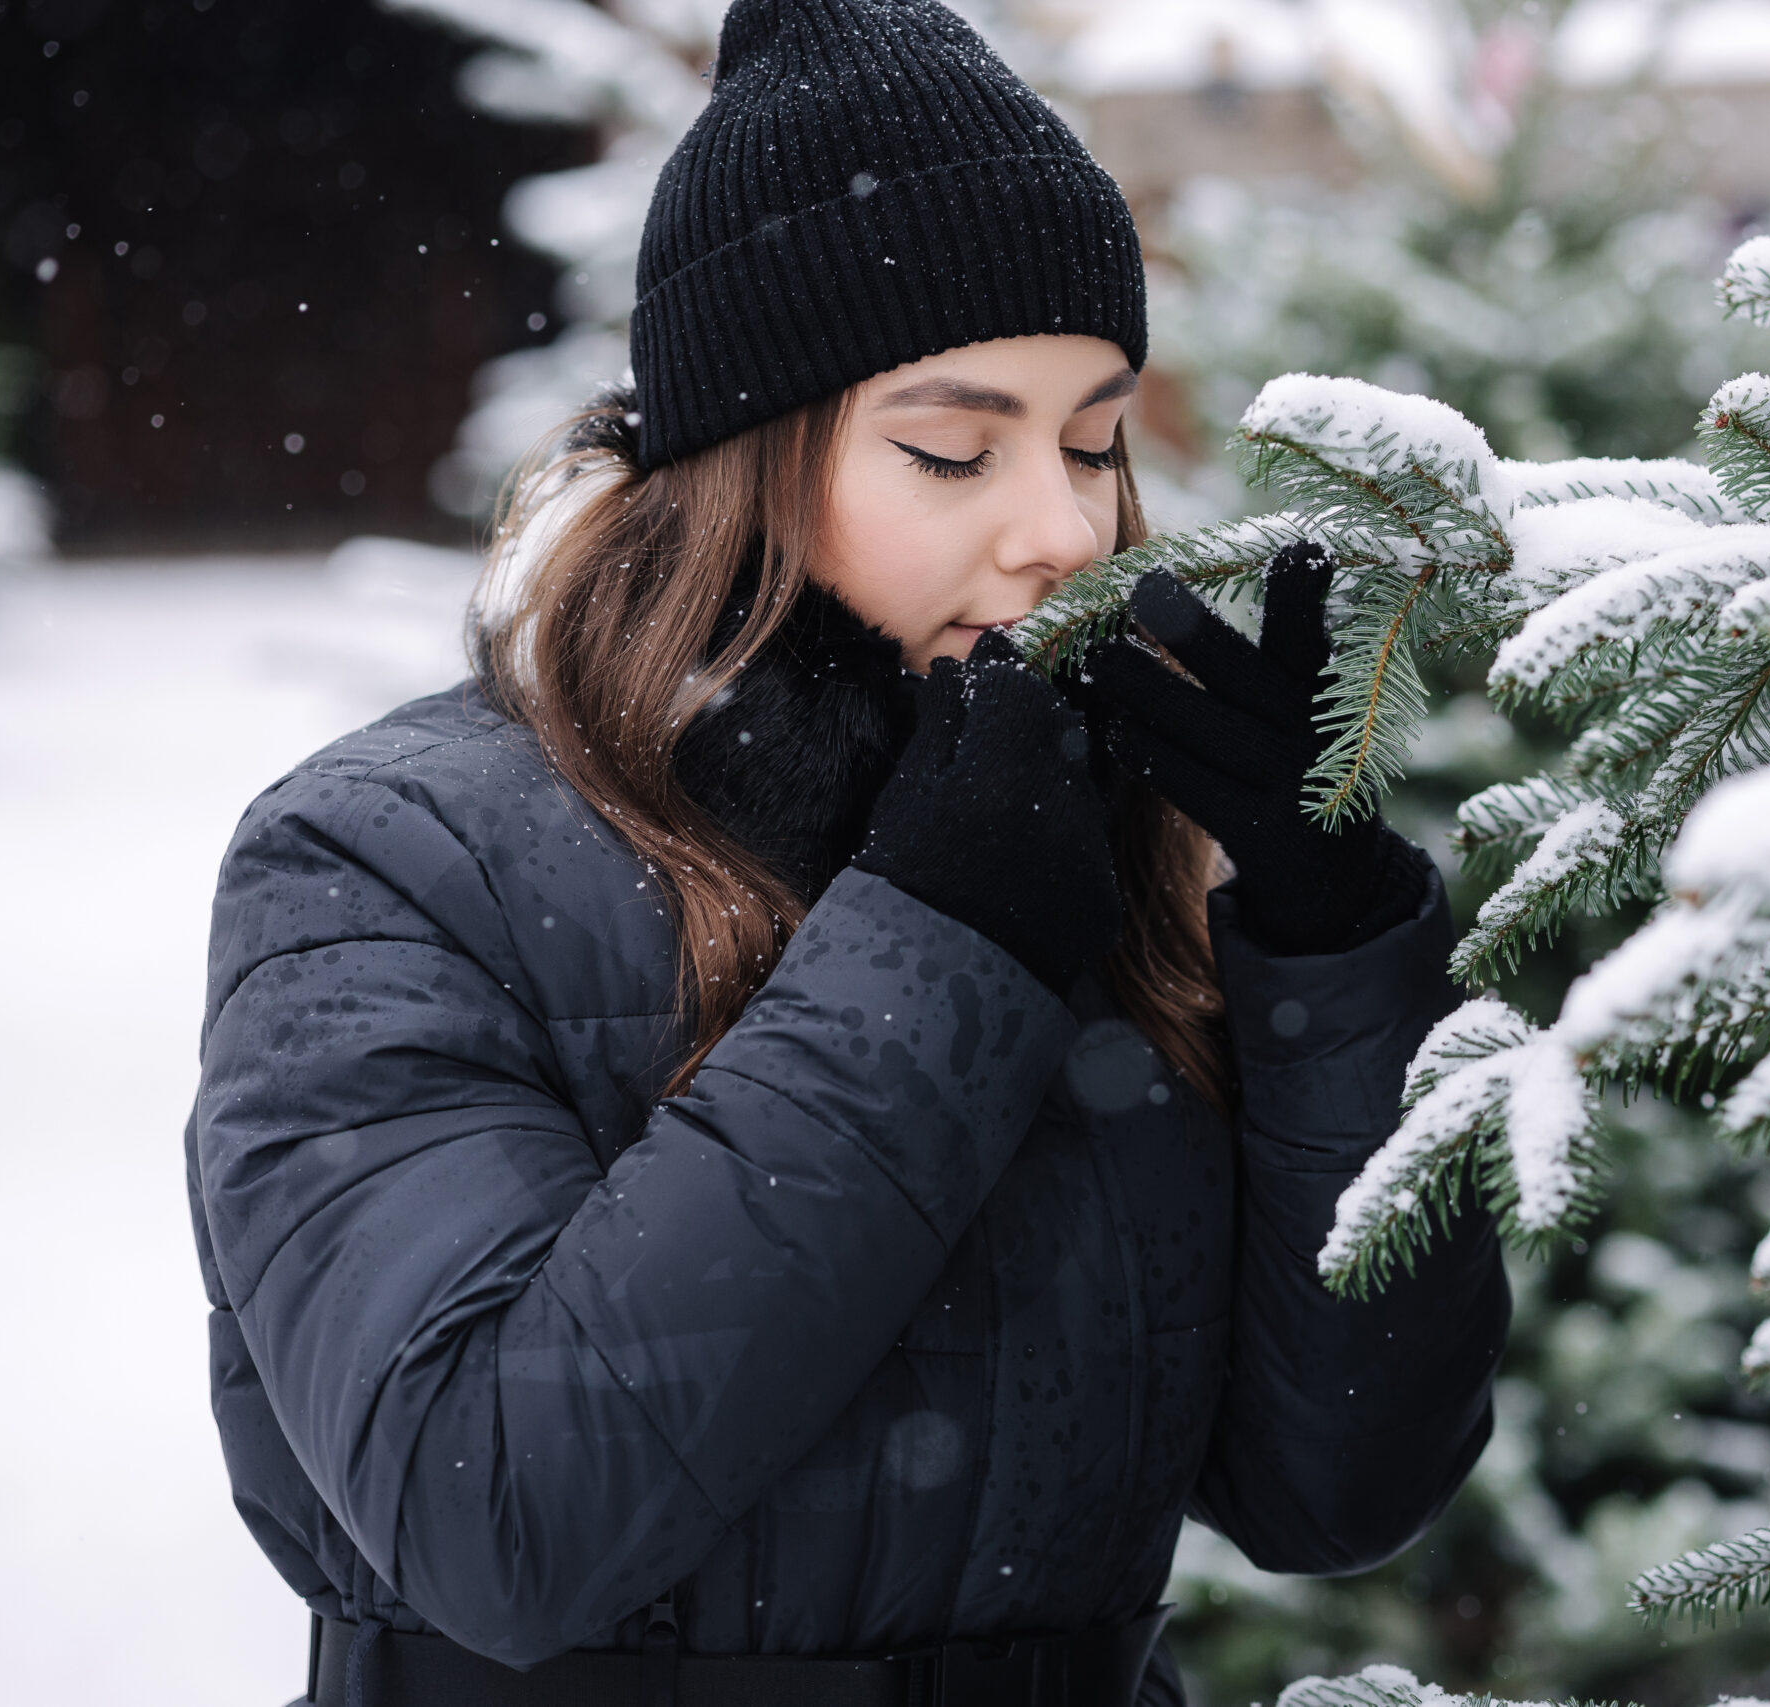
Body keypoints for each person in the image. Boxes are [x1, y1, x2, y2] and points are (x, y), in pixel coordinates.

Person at [184, 2, 1508, 1703]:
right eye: (954, 449)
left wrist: (1330, 955)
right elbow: (503, 1518)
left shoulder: (1101, 842)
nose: (1062, 528)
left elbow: (1342, 1493)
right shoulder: (385, 862)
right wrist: (938, 945)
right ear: (745, 465)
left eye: (1095, 440)